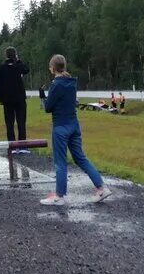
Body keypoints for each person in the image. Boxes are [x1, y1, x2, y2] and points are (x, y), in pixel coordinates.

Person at [38, 54, 111, 206]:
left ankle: (59, 195)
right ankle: (101, 187)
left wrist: (43, 97)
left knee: (60, 162)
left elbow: (48, 107)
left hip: (60, 127)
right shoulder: (71, 83)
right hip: (74, 125)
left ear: (52, 68)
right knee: (80, 158)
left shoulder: (56, 85)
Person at [0, 47, 31, 153]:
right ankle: (23, 146)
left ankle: (12, 146)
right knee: (21, 122)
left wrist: (0, 98)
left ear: (6, 55)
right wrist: (18, 60)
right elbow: (26, 69)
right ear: (15, 55)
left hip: (7, 100)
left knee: (9, 124)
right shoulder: (18, 67)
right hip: (19, 99)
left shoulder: (1, 68)